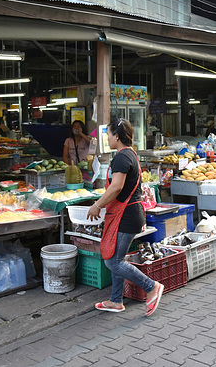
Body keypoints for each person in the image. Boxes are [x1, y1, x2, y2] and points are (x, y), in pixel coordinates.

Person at [86, 118, 164, 317]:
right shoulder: (131, 154)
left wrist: (97, 205)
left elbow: (116, 187)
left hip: (126, 215)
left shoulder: (121, 157)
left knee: (113, 262)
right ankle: (116, 300)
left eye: (109, 135)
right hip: (130, 213)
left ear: (117, 136)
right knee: (114, 257)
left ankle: (151, 287)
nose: (108, 138)